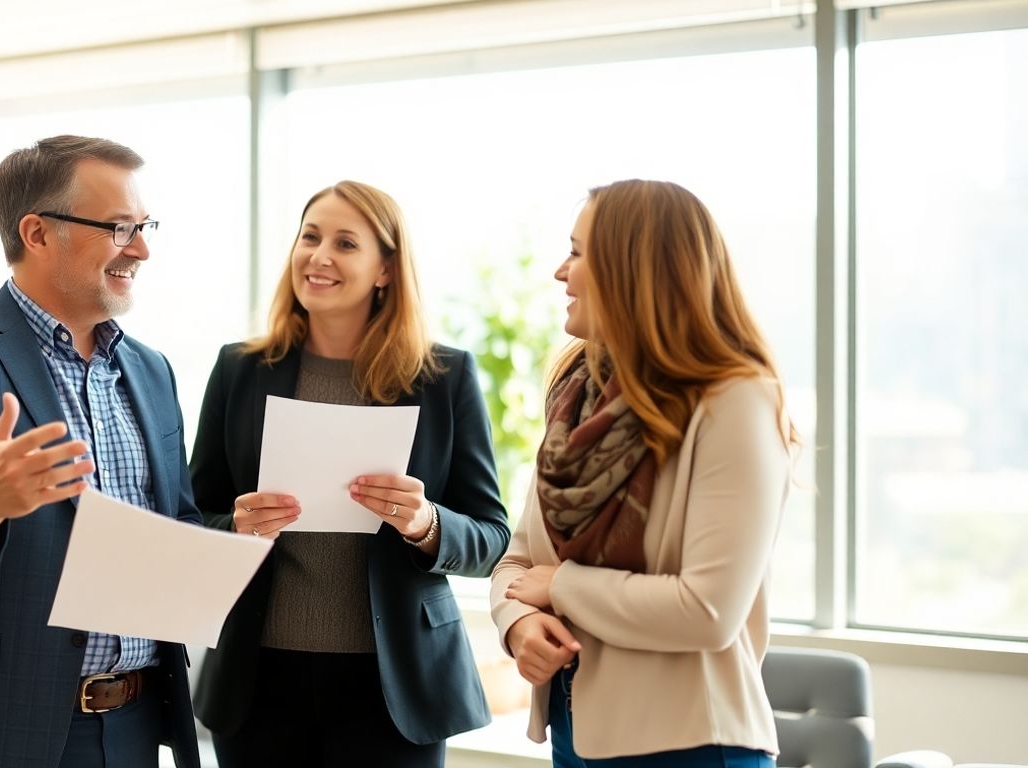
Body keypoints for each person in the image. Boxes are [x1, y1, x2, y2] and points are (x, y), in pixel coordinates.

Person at [0, 135, 201, 768]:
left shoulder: (152, 371)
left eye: (145, 225)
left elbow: (172, 528)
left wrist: (229, 537)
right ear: (38, 233)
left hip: (134, 726)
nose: (143, 248)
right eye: (120, 227)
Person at [190, 180, 510, 767]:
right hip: (259, 678)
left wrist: (426, 523)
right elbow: (192, 515)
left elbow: (492, 537)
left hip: (395, 684)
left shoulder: (444, 377)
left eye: (345, 243)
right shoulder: (238, 370)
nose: (319, 256)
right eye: (310, 237)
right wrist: (232, 528)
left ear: (385, 269)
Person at [490, 179, 799, 768]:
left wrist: (560, 588)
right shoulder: (576, 397)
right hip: (574, 733)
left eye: (578, 253)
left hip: (692, 745)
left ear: (633, 270)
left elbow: (708, 611)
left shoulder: (734, 401)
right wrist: (521, 625)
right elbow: (518, 562)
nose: (561, 271)